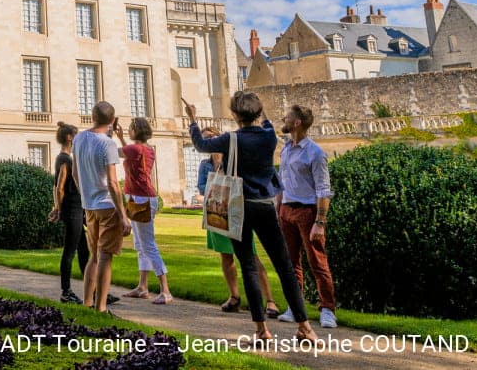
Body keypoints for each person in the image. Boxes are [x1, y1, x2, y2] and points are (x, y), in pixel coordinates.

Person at [186, 92, 317, 344]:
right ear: (257, 113)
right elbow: (267, 122)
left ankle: (261, 329)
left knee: (247, 266)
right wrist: (261, 107)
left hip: (237, 206)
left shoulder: (231, 139)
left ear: (235, 115)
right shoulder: (269, 136)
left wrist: (192, 119)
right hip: (264, 205)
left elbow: (201, 144)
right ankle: (305, 326)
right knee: (284, 267)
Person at [196, 128, 281, 317]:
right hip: (217, 212)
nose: (210, 141)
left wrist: (221, 165)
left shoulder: (236, 158)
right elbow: (202, 187)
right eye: (206, 138)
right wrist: (216, 169)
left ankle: (270, 301)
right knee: (226, 256)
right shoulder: (205, 165)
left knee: (251, 256)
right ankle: (234, 297)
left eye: (212, 137)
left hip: (237, 212)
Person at [277, 104, 338, 329]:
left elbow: (323, 190)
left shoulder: (315, 153)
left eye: (288, 116)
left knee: (317, 263)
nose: (283, 118)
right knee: (291, 264)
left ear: (296, 123)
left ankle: (328, 310)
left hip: (307, 212)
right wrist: (279, 210)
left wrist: (320, 222)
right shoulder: (285, 149)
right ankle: (295, 307)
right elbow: (282, 182)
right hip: (287, 210)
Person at [73, 101, 132, 313]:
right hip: (107, 206)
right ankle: (101, 308)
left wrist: (85, 195)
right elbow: (113, 183)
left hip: (89, 206)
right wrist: (123, 215)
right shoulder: (107, 144)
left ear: (92, 116)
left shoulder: (79, 138)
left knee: (94, 257)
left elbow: (75, 173)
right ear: (113, 120)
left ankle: (87, 301)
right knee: (105, 257)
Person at [113, 117, 172, 304]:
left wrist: (107, 137)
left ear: (136, 130)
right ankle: (142, 287)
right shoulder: (146, 149)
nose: (128, 130)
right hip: (142, 197)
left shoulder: (135, 149)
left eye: (130, 128)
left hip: (141, 198)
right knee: (140, 244)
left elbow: (114, 153)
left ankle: (165, 290)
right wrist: (121, 137)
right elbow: (129, 154)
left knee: (148, 244)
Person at [50, 121, 88, 304]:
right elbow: (59, 187)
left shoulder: (65, 158)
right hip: (72, 209)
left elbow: (55, 186)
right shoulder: (64, 159)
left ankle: (94, 290)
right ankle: (66, 292)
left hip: (76, 208)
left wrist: (56, 207)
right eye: (77, 135)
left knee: (84, 251)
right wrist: (58, 209)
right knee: (70, 251)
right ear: (70, 137)